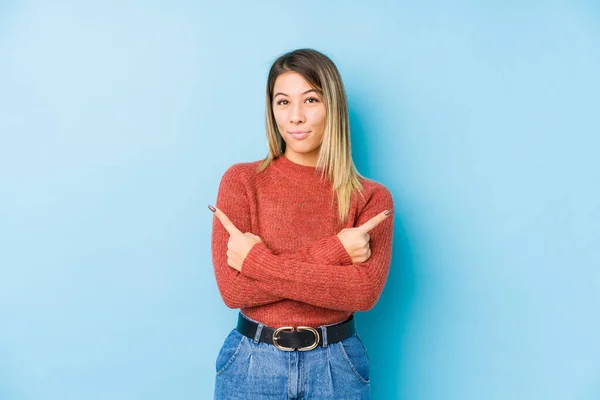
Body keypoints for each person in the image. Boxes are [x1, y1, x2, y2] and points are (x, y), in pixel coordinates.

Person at [208, 48, 394, 399]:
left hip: (337, 366)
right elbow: (233, 291)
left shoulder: (371, 198)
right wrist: (336, 251)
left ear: (332, 107)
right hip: (251, 362)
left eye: (310, 99)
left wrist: (256, 263)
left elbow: (363, 293)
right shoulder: (241, 181)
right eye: (282, 102)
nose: (295, 116)